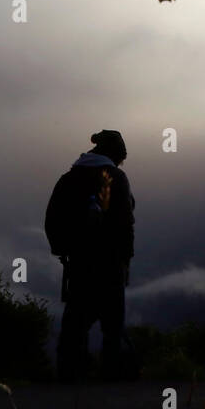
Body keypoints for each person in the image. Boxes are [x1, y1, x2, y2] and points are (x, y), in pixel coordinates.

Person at [45, 129, 136, 382]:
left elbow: (52, 218)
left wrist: (62, 250)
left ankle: (70, 374)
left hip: (79, 261)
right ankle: (111, 375)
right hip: (110, 260)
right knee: (112, 321)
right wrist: (126, 258)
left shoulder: (69, 178)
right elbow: (125, 222)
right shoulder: (116, 177)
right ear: (115, 155)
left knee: (76, 319)